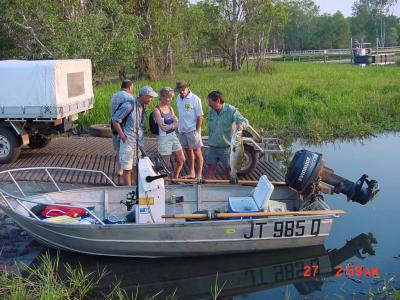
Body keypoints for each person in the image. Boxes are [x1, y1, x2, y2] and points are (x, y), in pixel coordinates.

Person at [112, 86, 158, 186]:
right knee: (127, 168)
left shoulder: (144, 107)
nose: (151, 99)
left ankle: (136, 189)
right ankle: (128, 190)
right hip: (128, 141)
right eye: (150, 96)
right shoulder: (129, 106)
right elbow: (115, 120)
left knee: (137, 167)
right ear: (143, 96)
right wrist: (123, 137)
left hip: (139, 143)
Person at [206, 91, 248, 179]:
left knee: (228, 171)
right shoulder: (211, 111)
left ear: (217, 101)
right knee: (210, 170)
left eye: (210, 103)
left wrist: (241, 126)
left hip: (226, 149)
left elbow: (244, 121)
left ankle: (227, 189)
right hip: (213, 147)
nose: (209, 105)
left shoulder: (231, 110)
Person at [153, 87, 185, 178]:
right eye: (168, 97)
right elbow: (163, 128)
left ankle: (175, 178)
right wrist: (174, 124)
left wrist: (172, 125)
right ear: (162, 97)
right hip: (164, 138)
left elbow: (177, 122)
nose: (170, 99)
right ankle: (164, 183)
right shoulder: (157, 110)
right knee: (165, 165)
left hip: (173, 136)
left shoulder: (170, 107)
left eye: (171, 97)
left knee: (181, 159)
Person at [175, 80, 203, 179]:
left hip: (192, 130)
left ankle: (199, 175)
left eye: (183, 90)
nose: (182, 92)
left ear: (187, 88)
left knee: (197, 151)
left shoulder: (195, 99)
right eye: (180, 90)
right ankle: (192, 172)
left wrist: (197, 130)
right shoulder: (178, 98)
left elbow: (200, 116)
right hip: (182, 130)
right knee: (188, 151)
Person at [110, 80, 134, 176]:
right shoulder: (129, 97)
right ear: (130, 87)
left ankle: (120, 170)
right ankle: (127, 169)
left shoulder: (114, 96)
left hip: (113, 125)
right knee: (127, 148)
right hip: (124, 126)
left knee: (118, 149)